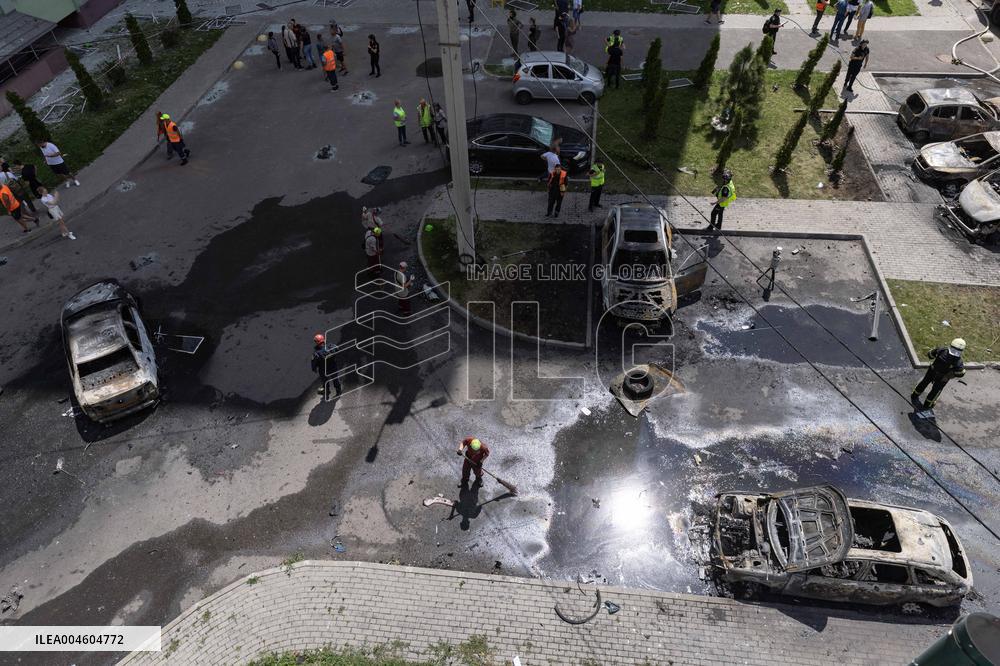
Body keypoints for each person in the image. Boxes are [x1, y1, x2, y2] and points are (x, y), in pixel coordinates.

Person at [912, 338, 966, 411]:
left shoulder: (942, 350)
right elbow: (961, 373)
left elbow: (930, 354)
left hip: (932, 371)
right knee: (935, 391)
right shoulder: (958, 362)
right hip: (942, 378)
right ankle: (927, 404)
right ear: (962, 350)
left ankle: (914, 395)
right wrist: (949, 375)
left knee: (923, 383)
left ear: (951, 345)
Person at [311, 333, 342, 400]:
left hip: (323, 370)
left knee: (325, 381)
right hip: (333, 367)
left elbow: (314, 363)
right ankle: (338, 391)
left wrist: (314, 369)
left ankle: (327, 392)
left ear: (316, 343)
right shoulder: (331, 346)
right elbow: (338, 349)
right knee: (336, 379)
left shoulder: (316, 353)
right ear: (324, 340)